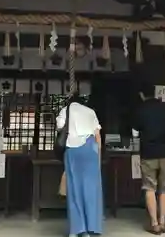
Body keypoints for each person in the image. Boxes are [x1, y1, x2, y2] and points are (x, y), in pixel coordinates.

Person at [56, 93, 103, 237]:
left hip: (74, 150)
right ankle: (93, 227)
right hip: (91, 150)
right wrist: (98, 158)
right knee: (91, 190)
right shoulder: (90, 112)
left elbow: (59, 128)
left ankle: (78, 230)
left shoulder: (65, 110)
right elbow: (98, 137)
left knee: (75, 190)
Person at [133, 83, 165, 234]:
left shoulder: (141, 109)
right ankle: (163, 222)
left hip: (148, 153)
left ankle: (154, 223)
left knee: (149, 187)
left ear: (142, 95)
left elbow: (136, 130)